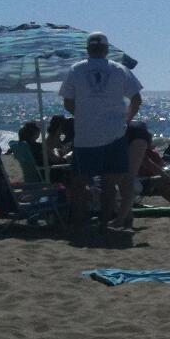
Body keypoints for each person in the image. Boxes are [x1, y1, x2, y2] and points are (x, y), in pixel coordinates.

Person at [60, 31, 142, 230]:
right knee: (109, 183)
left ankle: (80, 222)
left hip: (85, 135)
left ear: (88, 49)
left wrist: (83, 114)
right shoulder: (119, 69)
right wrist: (126, 120)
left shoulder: (76, 69)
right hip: (114, 133)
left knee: (80, 181)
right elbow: (136, 99)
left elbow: (67, 101)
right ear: (106, 49)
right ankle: (104, 223)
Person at [111, 120, 170, 228]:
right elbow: (149, 166)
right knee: (157, 181)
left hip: (114, 183)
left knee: (160, 179)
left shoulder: (115, 142)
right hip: (121, 185)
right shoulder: (135, 146)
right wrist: (165, 177)